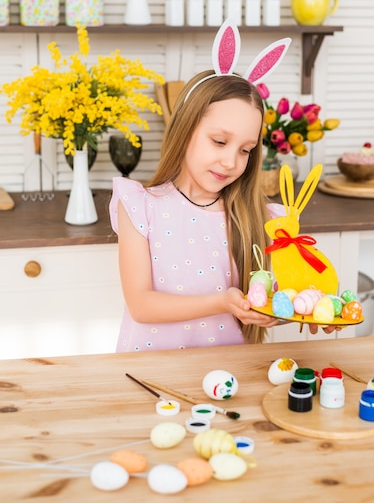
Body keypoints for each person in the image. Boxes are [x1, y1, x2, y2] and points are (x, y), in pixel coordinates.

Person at [109, 21, 338, 351]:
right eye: (219, 141)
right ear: (185, 130)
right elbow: (141, 306)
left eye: (245, 150)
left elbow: (271, 297)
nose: (232, 162)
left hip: (230, 374)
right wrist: (223, 302)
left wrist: (308, 310)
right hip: (150, 374)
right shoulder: (140, 205)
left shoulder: (260, 217)